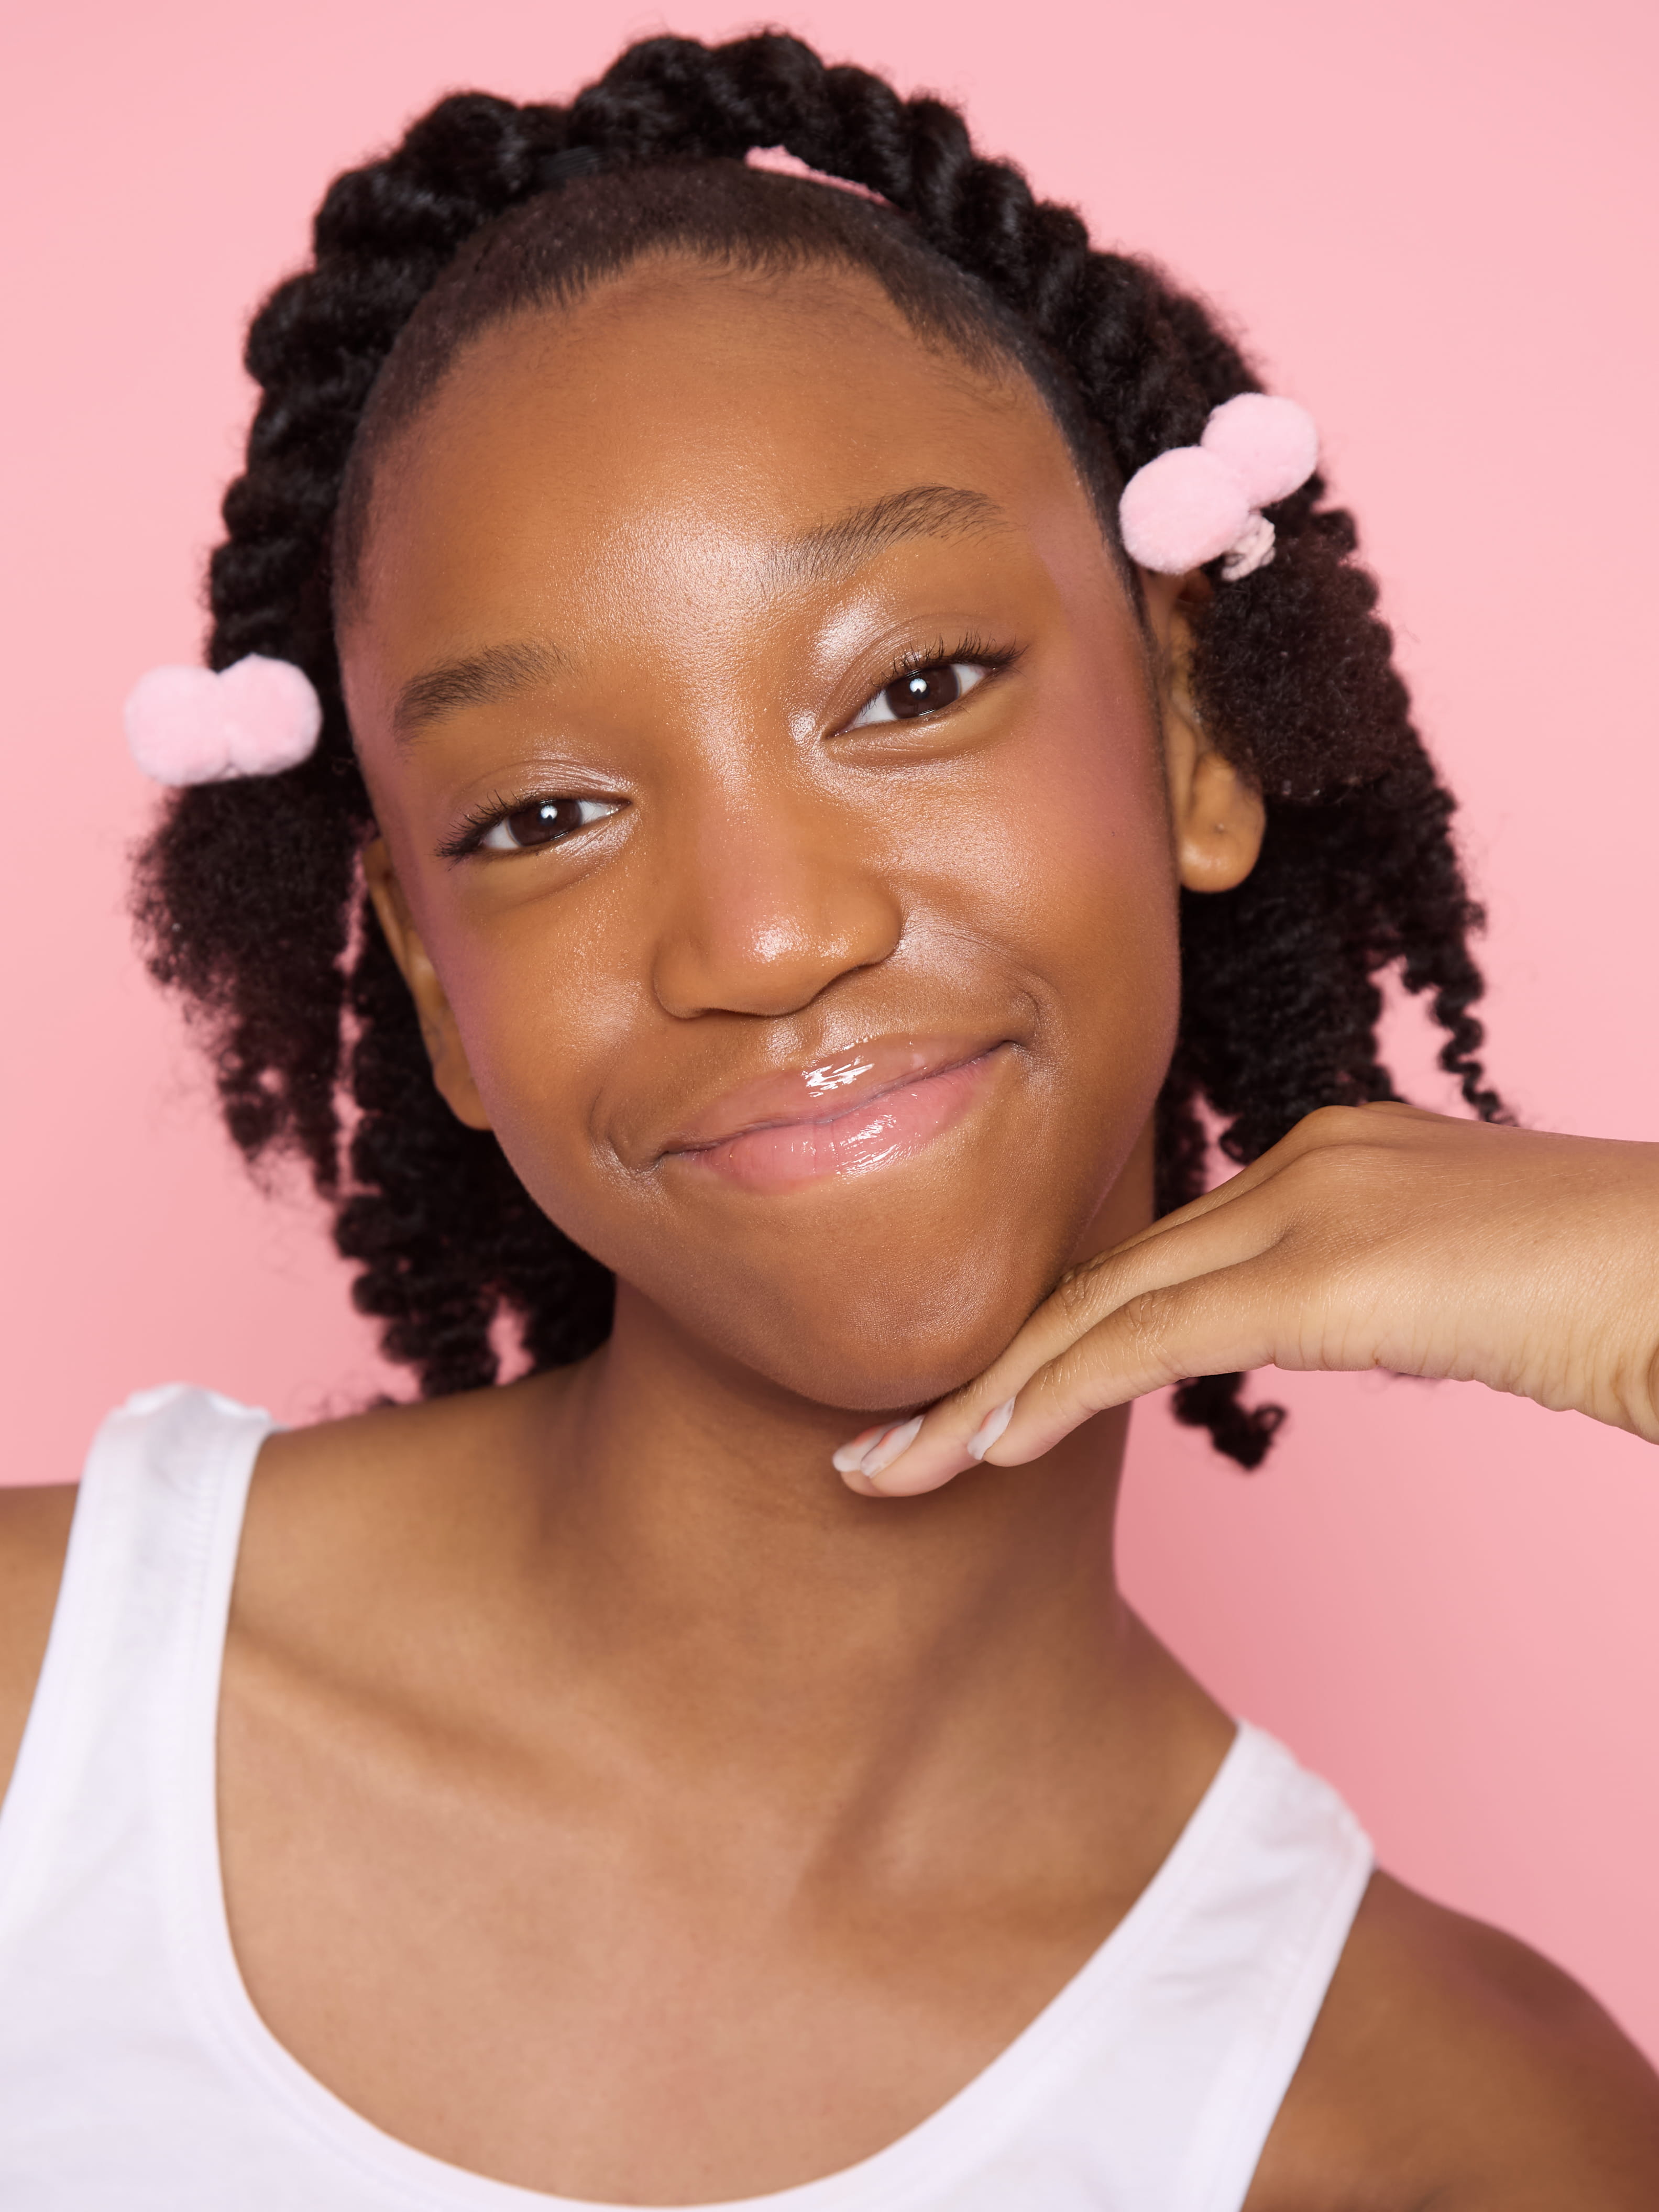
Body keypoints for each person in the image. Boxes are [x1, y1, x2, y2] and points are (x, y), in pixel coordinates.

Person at [1, 29, 1655, 2208]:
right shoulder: (37, 1727)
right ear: (432, 981)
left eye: (911, 691)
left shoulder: (1454, 2137)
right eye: (543, 815)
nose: (768, 938)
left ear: (1190, 730)